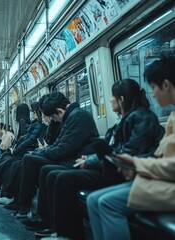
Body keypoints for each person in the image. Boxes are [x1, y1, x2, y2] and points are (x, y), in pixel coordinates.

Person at [34, 79, 164, 239]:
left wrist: (89, 161)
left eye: (112, 96)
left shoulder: (141, 118)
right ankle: (60, 229)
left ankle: (68, 234)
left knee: (63, 177)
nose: (109, 100)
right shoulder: (125, 119)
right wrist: (89, 158)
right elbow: (115, 150)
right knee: (54, 173)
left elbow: (127, 152)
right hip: (110, 167)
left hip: (119, 172)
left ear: (121, 99)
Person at [87, 56, 175, 240]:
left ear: (166, 85)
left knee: (106, 203)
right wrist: (134, 166)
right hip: (163, 178)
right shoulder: (172, 118)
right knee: (93, 199)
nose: (153, 94)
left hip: (168, 183)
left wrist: (136, 164)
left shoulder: (142, 117)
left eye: (153, 87)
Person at [15, 92, 99, 218]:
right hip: (68, 158)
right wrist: (40, 152)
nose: (54, 120)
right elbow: (59, 144)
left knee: (31, 160)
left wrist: (41, 152)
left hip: (74, 161)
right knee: (30, 158)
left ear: (59, 111)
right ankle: (26, 208)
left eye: (54, 117)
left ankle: (27, 209)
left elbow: (63, 149)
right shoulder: (71, 117)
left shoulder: (78, 117)